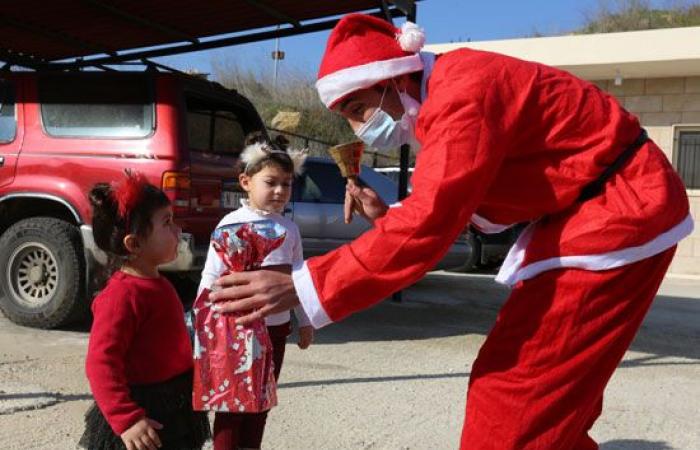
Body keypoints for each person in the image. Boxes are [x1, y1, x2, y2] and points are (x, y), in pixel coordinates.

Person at [209, 14, 693, 450]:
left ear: (394, 79)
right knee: (549, 389)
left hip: (618, 215)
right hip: (597, 212)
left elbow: (432, 218)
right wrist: (389, 216)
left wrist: (301, 285)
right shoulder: (451, 92)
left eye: (358, 109)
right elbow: (440, 206)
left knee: (515, 393)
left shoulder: (461, 97)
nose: (360, 127)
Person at [196, 135, 313, 450]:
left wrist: (305, 321)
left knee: (261, 402)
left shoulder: (290, 230)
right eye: (271, 182)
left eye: (287, 184)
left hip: (275, 331)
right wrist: (201, 321)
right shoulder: (230, 224)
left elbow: (299, 279)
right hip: (236, 331)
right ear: (246, 181)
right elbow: (211, 274)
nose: (279, 191)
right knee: (232, 405)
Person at [81, 171, 210, 450]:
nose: (177, 231)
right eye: (167, 223)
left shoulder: (159, 283)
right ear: (134, 243)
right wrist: (127, 419)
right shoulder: (121, 296)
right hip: (143, 413)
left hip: (174, 404)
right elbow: (100, 363)